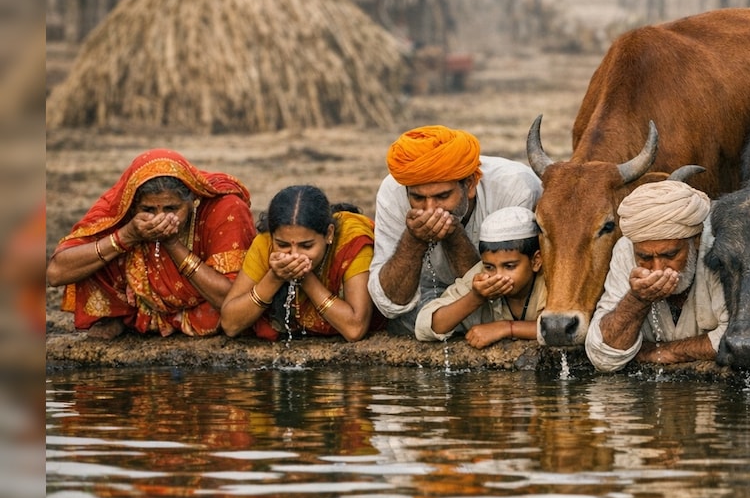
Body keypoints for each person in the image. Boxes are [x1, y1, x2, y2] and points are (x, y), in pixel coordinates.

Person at [46, 149, 255, 338]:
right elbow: (56, 273)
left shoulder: (225, 209)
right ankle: (123, 315)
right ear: (132, 205)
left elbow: (233, 301)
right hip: (139, 304)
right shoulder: (120, 208)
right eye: (148, 210)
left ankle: (147, 320)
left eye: (171, 209)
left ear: (193, 199)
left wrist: (172, 244)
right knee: (95, 253)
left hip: (208, 303)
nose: (159, 219)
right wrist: (126, 236)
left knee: (239, 314)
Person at [368, 125, 542, 334]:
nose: (430, 210)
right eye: (418, 198)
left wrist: (454, 235)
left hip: (504, 301)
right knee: (407, 320)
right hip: (429, 296)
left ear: (470, 184)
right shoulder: (393, 190)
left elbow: (504, 293)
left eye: (442, 196)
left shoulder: (516, 187)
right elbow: (390, 303)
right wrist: (414, 240)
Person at [585, 180, 728, 372]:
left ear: (695, 240)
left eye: (670, 255)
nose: (658, 269)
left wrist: (661, 352)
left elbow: (739, 338)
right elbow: (602, 357)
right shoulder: (625, 250)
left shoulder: (717, 247)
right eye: (645, 258)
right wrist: (637, 300)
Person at [221, 185, 384, 342]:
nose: (295, 255)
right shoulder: (266, 244)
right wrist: (274, 278)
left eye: (306, 246)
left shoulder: (351, 241)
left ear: (329, 234)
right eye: (283, 245)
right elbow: (230, 325)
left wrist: (306, 279)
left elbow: (355, 329)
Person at [415, 206, 546, 348]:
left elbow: (561, 328)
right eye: (490, 267)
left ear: (536, 261)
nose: (498, 276)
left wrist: (507, 328)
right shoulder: (481, 275)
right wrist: (475, 298)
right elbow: (426, 327)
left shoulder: (552, 278)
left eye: (509, 266)